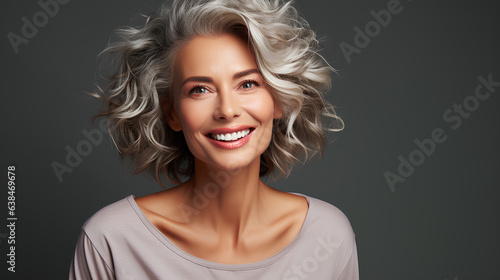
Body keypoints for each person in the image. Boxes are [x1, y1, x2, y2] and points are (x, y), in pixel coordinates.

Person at [69, 0, 359, 279]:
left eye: (247, 84)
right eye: (200, 90)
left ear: (278, 101)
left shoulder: (327, 238)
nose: (227, 110)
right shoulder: (111, 241)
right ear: (172, 114)